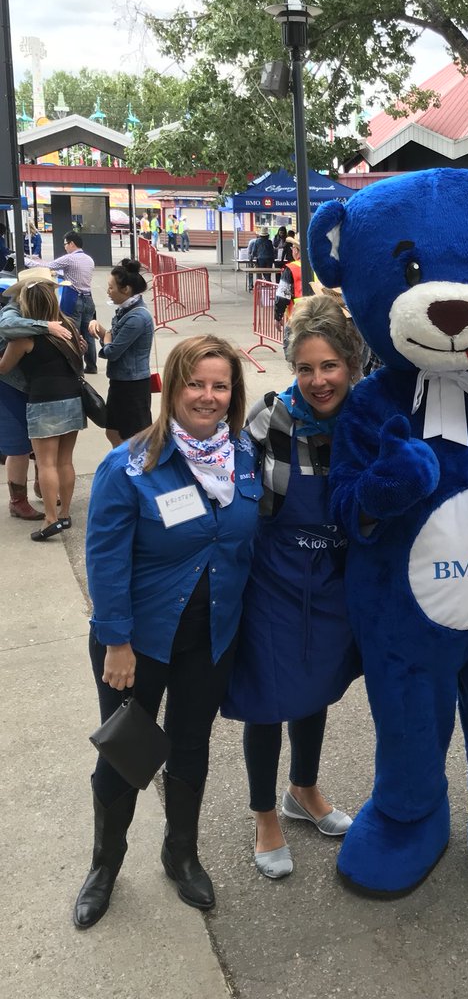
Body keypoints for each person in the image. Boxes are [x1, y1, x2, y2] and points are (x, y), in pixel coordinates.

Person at [73, 335, 262, 929]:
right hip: (138, 641)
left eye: (220, 385)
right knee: (127, 753)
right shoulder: (131, 464)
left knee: (190, 747)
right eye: (195, 383)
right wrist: (117, 641)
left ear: (233, 395)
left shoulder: (244, 459)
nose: (207, 396)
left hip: (211, 638)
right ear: (172, 387)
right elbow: (105, 559)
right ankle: (106, 864)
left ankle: (180, 853)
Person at [222, 295, 362, 879]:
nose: (317, 381)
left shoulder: (364, 424)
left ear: (351, 366)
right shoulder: (267, 421)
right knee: (268, 699)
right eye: (304, 368)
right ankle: (264, 815)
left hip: (332, 582)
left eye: (328, 366)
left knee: (316, 688)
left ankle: (302, 790)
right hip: (274, 582)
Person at [0, 278, 84, 541]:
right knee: (65, 461)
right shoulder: (68, 326)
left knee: (46, 464)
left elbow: (3, 368)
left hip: (44, 402)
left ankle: (50, 519)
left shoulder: (23, 338)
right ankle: (65, 513)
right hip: (73, 399)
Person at [88, 259, 155, 447]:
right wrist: (101, 330)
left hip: (132, 384)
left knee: (135, 436)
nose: (108, 291)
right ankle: (123, 467)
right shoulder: (127, 310)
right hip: (121, 381)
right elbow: (112, 338)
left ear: (126, 289)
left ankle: (136, 470)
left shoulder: (137, 317)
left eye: (111, 288)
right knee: (113, 432)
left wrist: (107, 336)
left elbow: (112, 351)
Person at [27, 231, 98, 373]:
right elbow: (73, 274)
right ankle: (91, 366)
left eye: (65, 244)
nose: (65, 247)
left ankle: (76, 366)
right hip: (88, 299)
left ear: (72, 243)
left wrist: (25, 260)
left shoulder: (70, 259)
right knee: (88, 333)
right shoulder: (89, 259)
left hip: (74, 299)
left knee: (73, 332)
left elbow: (46, 266)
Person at [273, 237, 303, 323]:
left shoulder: (291, 268)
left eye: (292, 247)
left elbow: (282, 294)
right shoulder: (318, 267)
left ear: (296, 250)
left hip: (297, 317)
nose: (292, 250)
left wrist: (278, 316)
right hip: (319, 316)